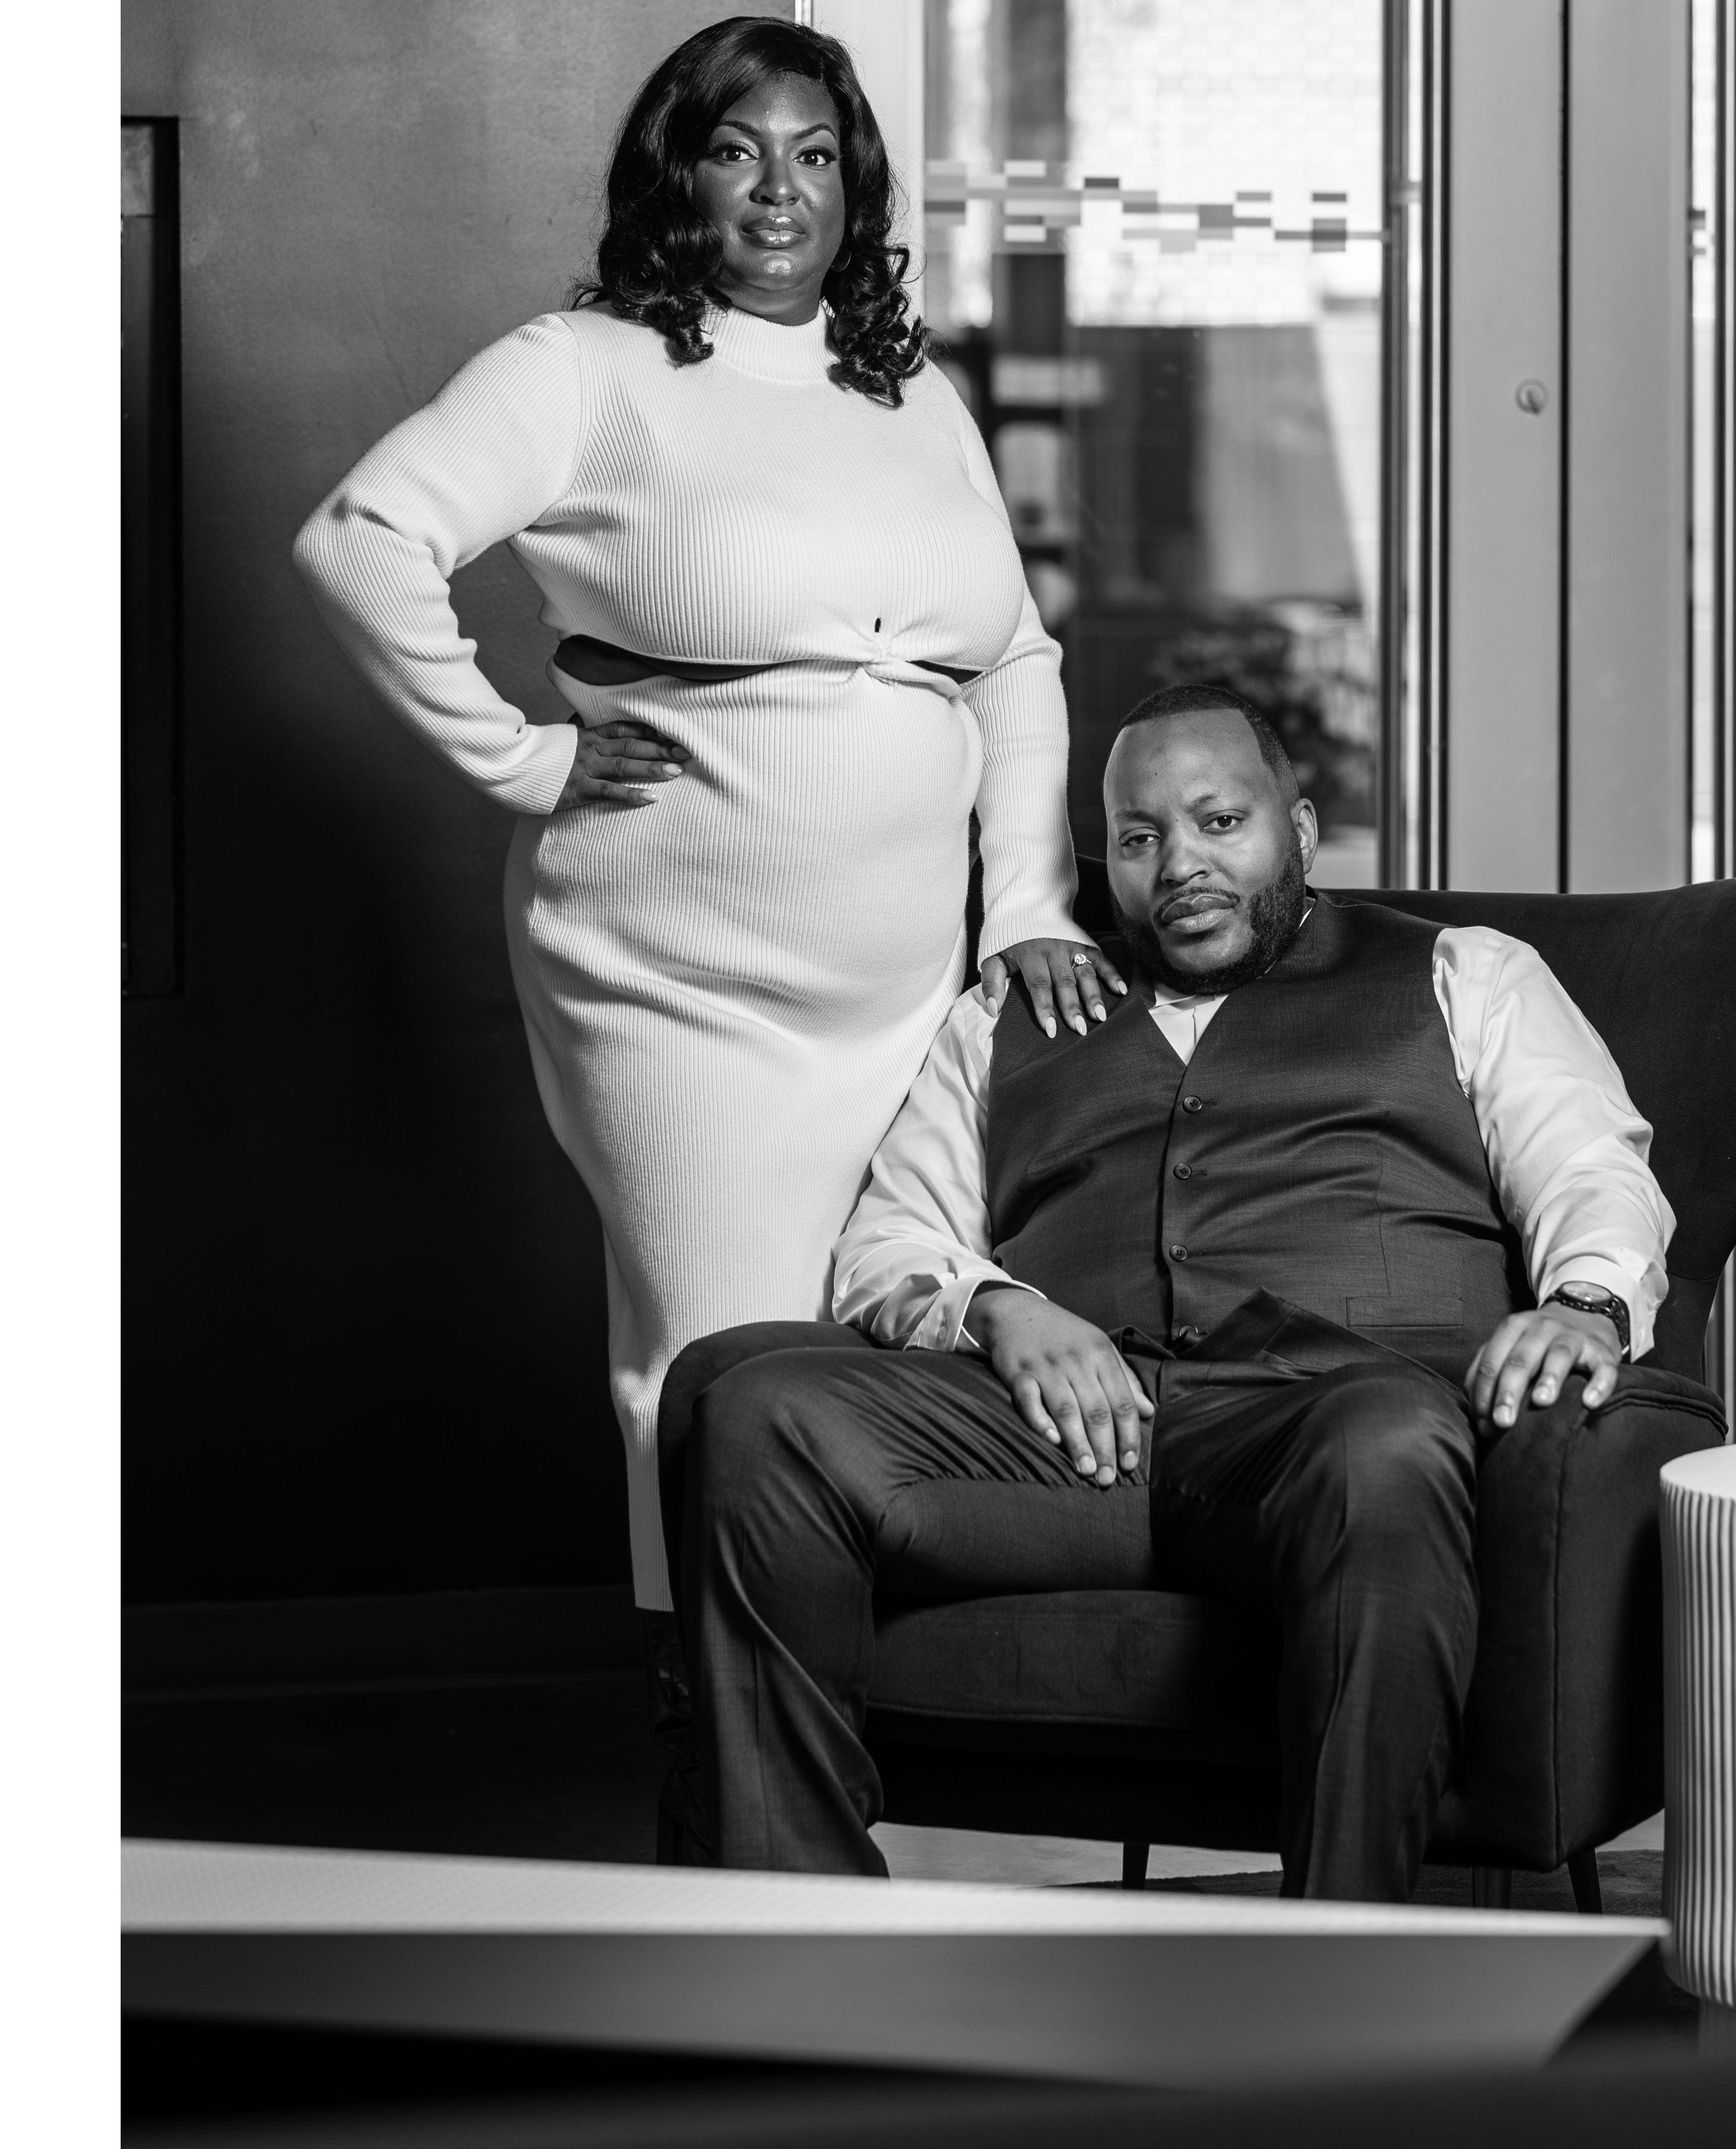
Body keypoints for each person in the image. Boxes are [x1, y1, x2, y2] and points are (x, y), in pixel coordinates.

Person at [292, 17, 1125, 1649]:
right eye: (738, 151)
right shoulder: (584, 368)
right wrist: (520, 758)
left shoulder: (910, 392)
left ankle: (856, 1702)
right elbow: (360, 539)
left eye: (815, 156)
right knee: (721, 1359)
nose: (779, 191)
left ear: (855, 185)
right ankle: (719, 1717)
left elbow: (1013, 661)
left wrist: (1029, 902)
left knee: (901, 1320)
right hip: (684, 980)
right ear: (677, 176)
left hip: (911, 983)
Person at [676, 681, 1676, 1903]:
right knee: (763, 1411)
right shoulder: (1007, 1017)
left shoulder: (1465, 974)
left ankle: (1344, 1952)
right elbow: (890, 1241)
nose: (1181, 864)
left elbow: (1591, 1170)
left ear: (1298, 829)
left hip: (1326, 1427)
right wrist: (1002, 1308)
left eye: (1220, 822)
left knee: (1389, 1439)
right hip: (1067, 1446)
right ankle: (799, 1930)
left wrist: (1585, 1304)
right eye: (1141, 837)